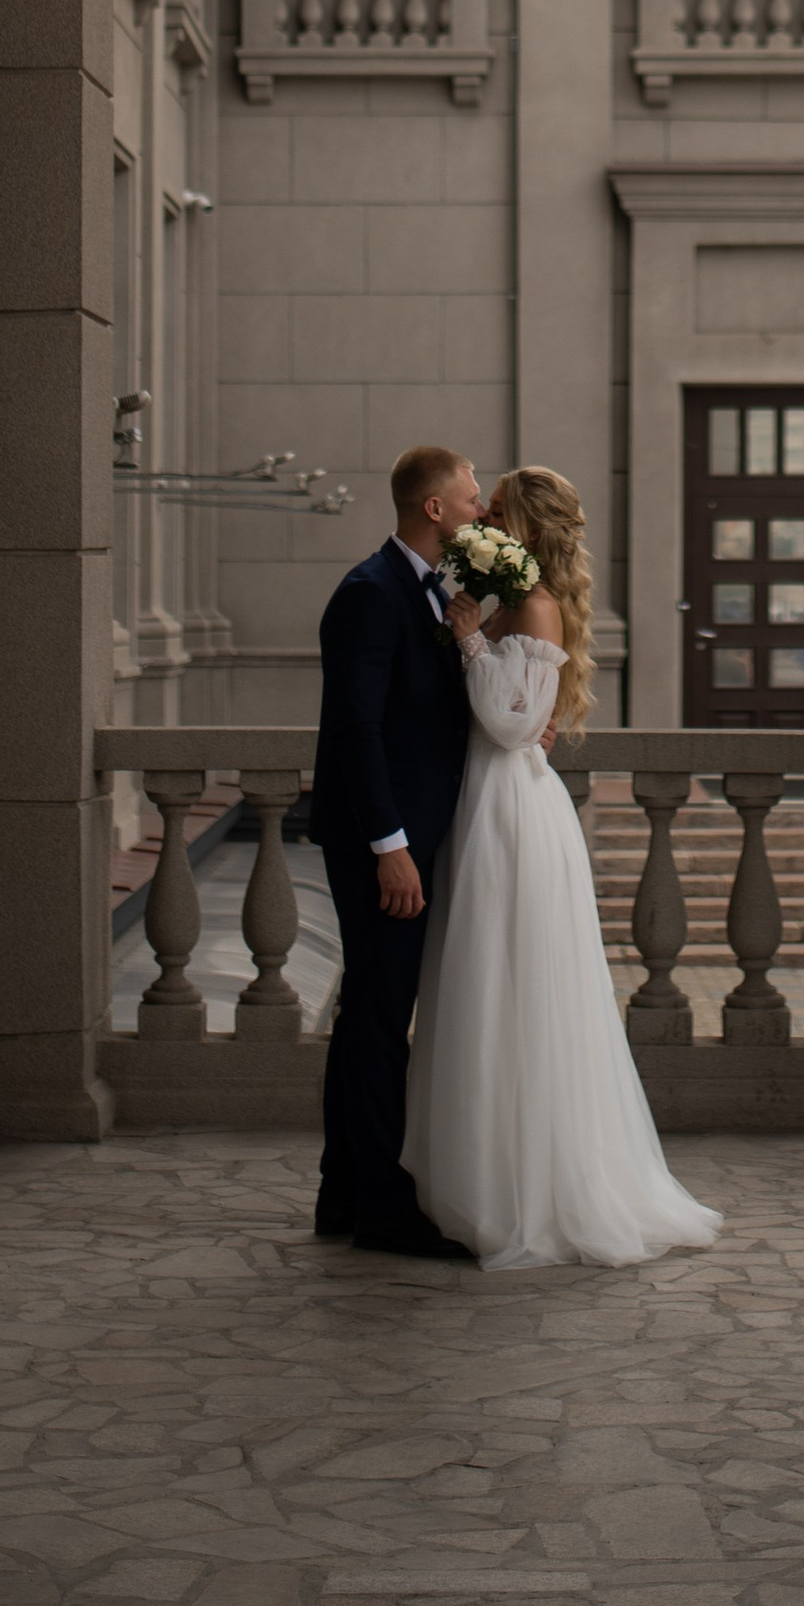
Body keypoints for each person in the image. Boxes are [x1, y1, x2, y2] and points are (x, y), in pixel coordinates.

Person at [405, 463, 722, 1273]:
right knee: (480, 985)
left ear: (528, 528)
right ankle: (475, 1176)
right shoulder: (505, 595)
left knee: (514, 985)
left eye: (497, 510)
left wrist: (471, 633)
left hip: (513, 809)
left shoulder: (533, 603)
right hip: (484, 802)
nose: (483, 519)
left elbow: (514, 728)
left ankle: (529, 1191)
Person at [306, 442, 482, 1256]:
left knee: (369, 1016)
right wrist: (391, 846)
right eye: (471, 498)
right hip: (384, 844)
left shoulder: (430, 592)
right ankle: (378, 1205)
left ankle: (344, 1190)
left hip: (412, 837)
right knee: (379, 1019)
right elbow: (355, 731)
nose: (481, 510)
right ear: (434, 509)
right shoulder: (370, 594)